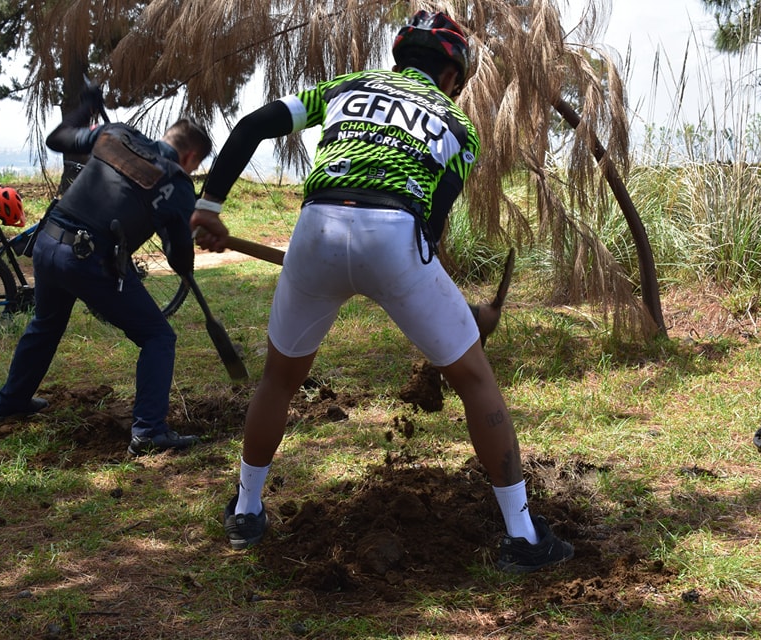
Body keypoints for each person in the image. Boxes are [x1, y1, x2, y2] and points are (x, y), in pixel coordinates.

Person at [190, 11, 573, 573]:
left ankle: (246, 512)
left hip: (315, 229)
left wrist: (209, 206)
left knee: (279, 378)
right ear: (452, 77)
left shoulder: (347, 87)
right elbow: (431, 233)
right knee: (474, 379)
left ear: (399, 59)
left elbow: (251, 125)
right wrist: (467, 320)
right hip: (395, 232)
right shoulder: (458, 128)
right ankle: (522, 535)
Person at [0, 87, 212, 457]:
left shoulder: (117, 134)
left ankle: (11, 401)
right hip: (86, 259)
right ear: (190, 156)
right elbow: (180, 261)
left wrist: (84, 107)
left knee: (45, 324)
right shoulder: (176, 183)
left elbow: (58, 138)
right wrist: (184, 229)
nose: (190, 170)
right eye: (194, 164)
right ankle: (148, 432)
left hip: (47, 244)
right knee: (158, 337)